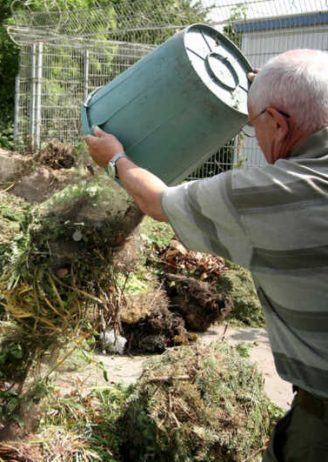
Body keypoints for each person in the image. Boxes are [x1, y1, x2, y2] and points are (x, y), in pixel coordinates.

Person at [85, 48, 328, 462]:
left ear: (277, 123)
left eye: (255, 126)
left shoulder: (275, 194)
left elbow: (158, 202)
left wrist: (116, 160)